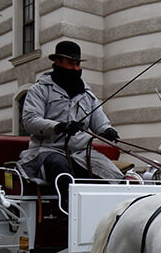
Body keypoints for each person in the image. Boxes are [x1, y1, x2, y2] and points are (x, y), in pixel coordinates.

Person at [18, 40, 123, 204]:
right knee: (60, 168)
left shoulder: (88, 95)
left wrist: (107, 130)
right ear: (57, 62)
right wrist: (59, 127)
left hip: (82, 153)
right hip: (48, 150)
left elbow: (100, 122)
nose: (75, 68)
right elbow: (30, 121)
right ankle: (67, 209)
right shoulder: (39, 90)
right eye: (70, 63)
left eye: (77, 64)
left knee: (113, 176)